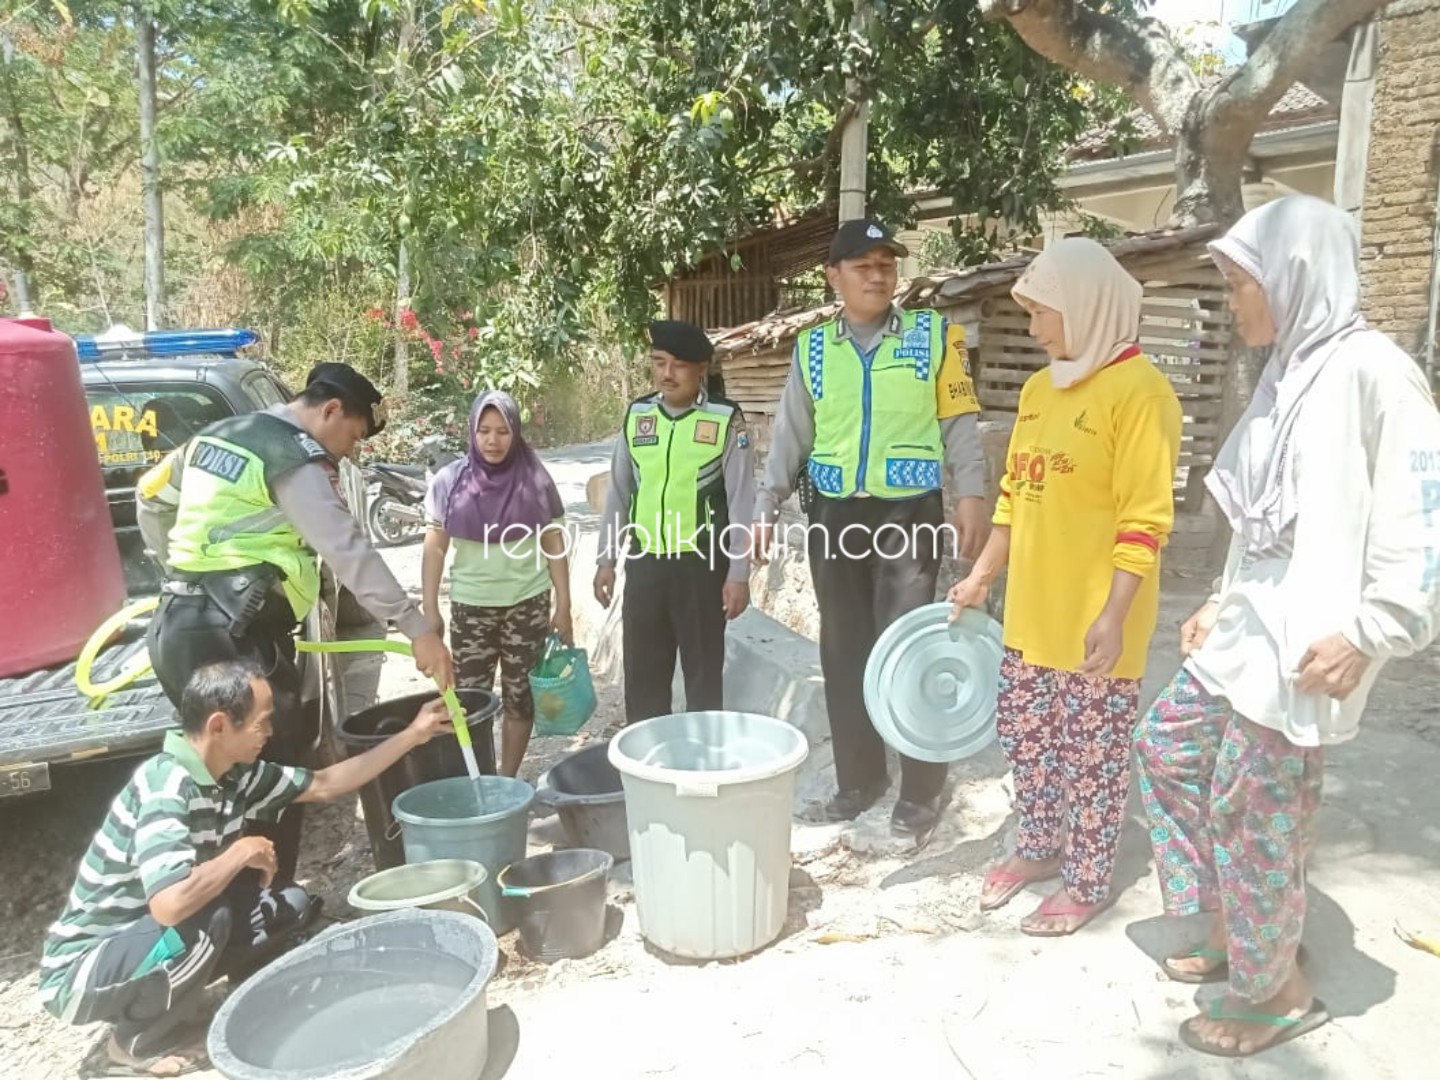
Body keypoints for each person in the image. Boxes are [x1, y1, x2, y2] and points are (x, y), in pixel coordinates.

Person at [1133, 194, 1440, 1058]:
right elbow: (1263, 519)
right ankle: (1240, 924)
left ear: (1295, 278)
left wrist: (1376, 630)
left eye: (1241, 286)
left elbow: (1424, 512)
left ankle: (1279, 991)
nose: (1235, 305)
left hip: (1314, 631)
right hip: (1252, 619)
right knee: (1168, 748)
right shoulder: (1286, 371)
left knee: (1254, 803)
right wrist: (1218, 601)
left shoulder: (1375, 370)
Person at [38, 660, 454, 1078]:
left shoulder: (234, 776)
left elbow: (326, 784)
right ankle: (132, 1042)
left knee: (290, 904)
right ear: (219, 726)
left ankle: (184, 996)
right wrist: (239, 853)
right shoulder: (167, 785)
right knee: (208, 918)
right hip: (84, 972)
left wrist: (412, 734)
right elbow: (168, 906)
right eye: (262, 723)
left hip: (146, 942)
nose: (270, 733)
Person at [136, 363, 454, 883]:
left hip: (178, 627)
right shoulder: (291, 457)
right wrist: (416, 627)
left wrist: (179, 567)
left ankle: (228, 906)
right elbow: (347, 550)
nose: (348, 452)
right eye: (351, 436)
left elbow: (149, 499)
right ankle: (267, 906)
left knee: (220, 776)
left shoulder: (212, 439)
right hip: (234, 634)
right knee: (272, 779)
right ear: (329, 410)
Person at [948, 237, 1183, 933]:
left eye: (1041, 312)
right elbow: (1017, 498)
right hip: (1031, 613)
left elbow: (1146, 520)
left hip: (1097, 621)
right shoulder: (1040, 389)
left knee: (1092, 757)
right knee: (1027, 737)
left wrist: (1114, 615)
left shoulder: (1143, 393)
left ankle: (1087, 880)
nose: (1033, 328)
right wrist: (979, 578)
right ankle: (1041, 848)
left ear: (1084, 306)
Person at [752, 218, 989, 842]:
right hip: (834, 516)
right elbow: (790, 436)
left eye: (887, 264)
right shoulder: (813, 349)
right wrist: (766, 502)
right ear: (834, 277)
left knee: (910, 649)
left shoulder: (936, 338)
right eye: (863, 266)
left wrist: (971, 493)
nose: (879, 275)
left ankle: (921, 789)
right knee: (845, 648)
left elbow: (960, 421)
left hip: (909, 513)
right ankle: (861, 781)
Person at [595, 319, 756, 724]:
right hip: (646, 564)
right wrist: (606, 560)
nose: (667, 374)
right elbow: (618, 492)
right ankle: (649, 771)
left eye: (678, 365)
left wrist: (739, 573)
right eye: (659, 362)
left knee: (702, 679)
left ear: (701, 369)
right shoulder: (638, 416)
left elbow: (741, 501)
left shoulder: (724, 419)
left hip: (701, 569)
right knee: (643, 680)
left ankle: (701, 773)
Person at [421, 390, 571, 777]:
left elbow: (553, 542)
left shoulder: (535, 477)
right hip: (471, 608)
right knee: (470, 703)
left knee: (521, 700)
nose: (492, 440)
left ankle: (507, 781)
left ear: (516, 432)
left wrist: (565, 606)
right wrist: (430, 609)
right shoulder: (449, 482)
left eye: (503, 431)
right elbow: (435, 547)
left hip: (528, 603)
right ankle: (480, 779)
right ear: (472, 431)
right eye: (484, 430)